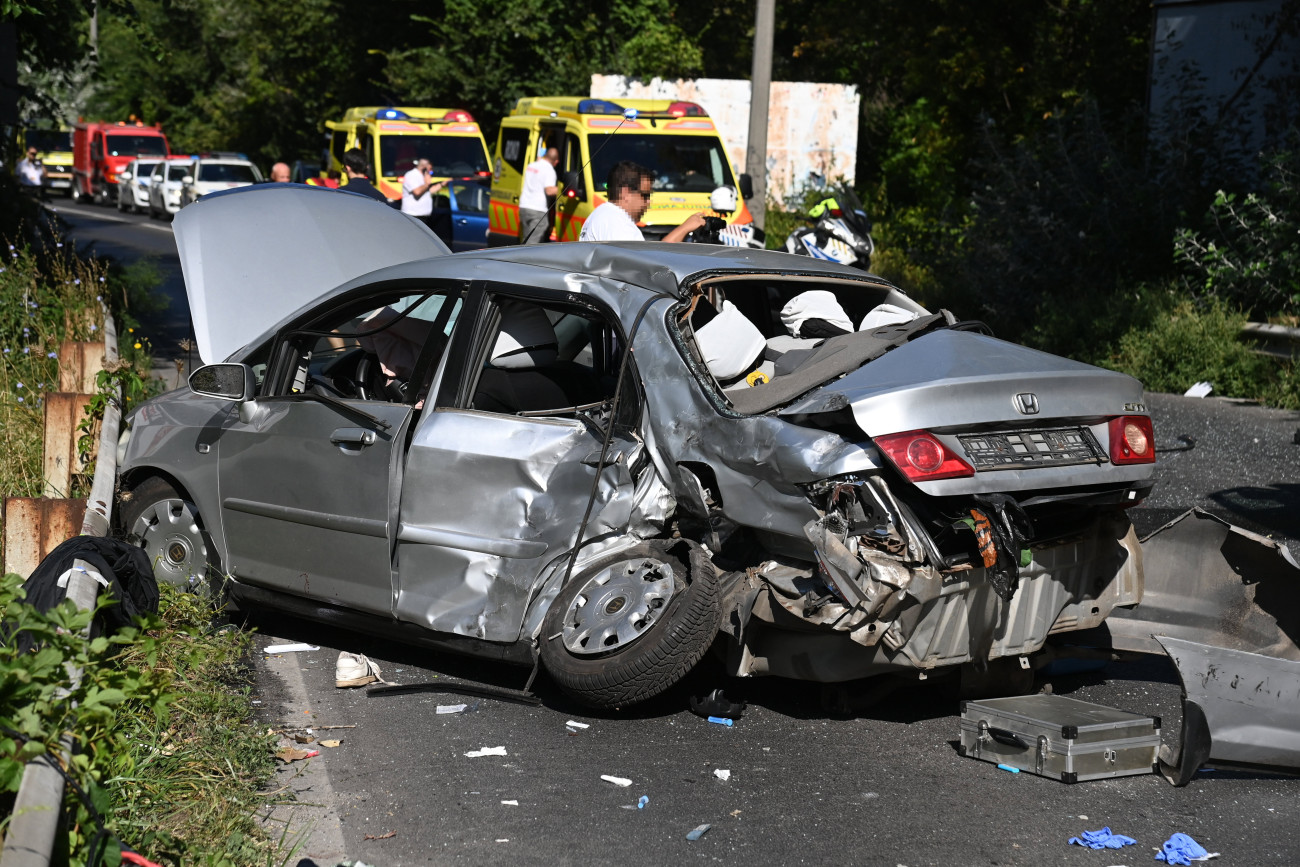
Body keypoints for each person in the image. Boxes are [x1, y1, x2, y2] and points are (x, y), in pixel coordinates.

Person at [579, 161, 705, 243]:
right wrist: (684, 229)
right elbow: (651, 264)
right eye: (645, 195)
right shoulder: (616, 223)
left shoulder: (604, 215)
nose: (648, 202)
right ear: (625, 193)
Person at [401, 157, 451, 245]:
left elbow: (427, 192)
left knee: (421, 242)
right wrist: (427, 183)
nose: (431, 172)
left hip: (423, 217)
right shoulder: (411, 175)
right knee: (412, 241)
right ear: (424, 167)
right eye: (430, 169)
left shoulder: (422, 176)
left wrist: (442, 184)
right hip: (413, 216)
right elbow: (417, 192)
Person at [518, 146, 559, 244]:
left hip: (524, 207)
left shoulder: (531, 165)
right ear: (556, 162)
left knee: (526, 238)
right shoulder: (550, 170)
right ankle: (526, 258)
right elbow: (549, 190)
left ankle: (521, 257)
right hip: (537, 209)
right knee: (532, 243)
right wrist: (562, 189)